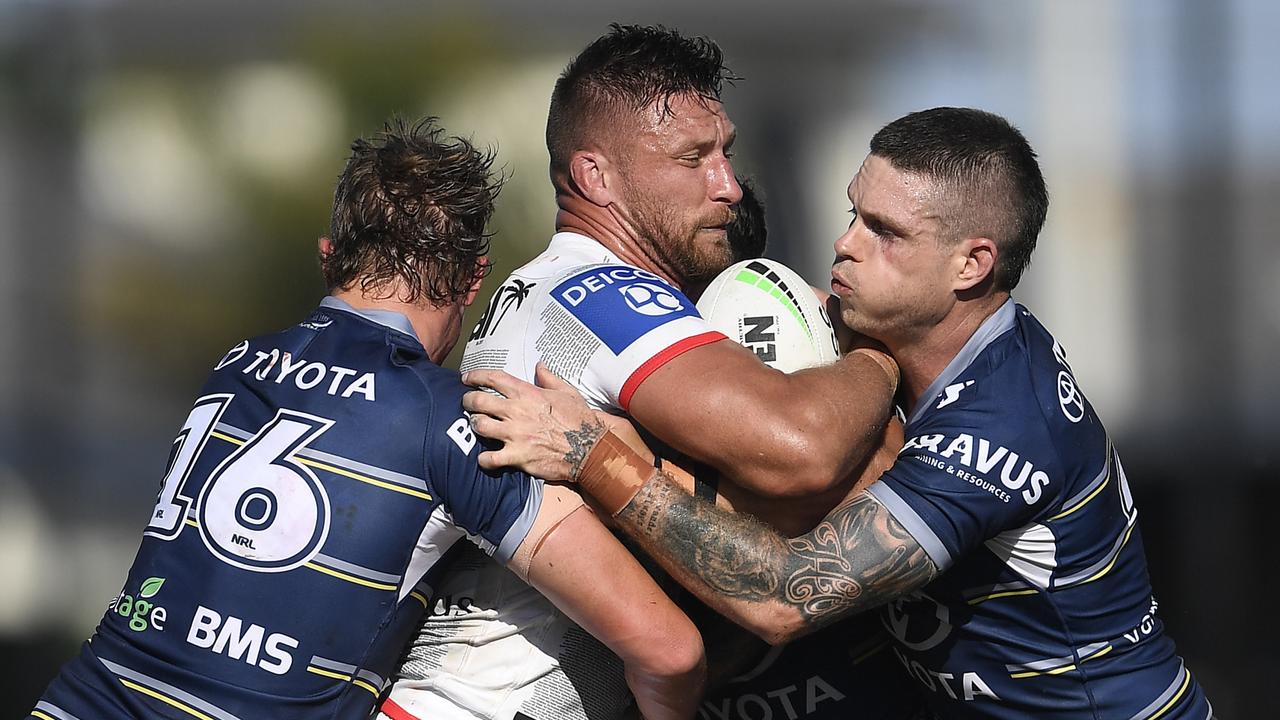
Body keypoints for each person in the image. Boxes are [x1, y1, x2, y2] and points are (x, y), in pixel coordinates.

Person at [462, 107, 1216, 719]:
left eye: (884, 233)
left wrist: (599, 455)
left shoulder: (1001, 427)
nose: (843, 245)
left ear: (972, 264)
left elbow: (784, 595)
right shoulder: (906, 340)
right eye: (854, 214)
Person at [28, 118, 703, 720]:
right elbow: (668, 650)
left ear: (328, 258)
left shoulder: (235, 366)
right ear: (473, 282)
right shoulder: (452, 420)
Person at [386, 23, 909, 720]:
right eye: (693, 158)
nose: (727, 185)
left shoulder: (546, 288)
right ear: (595, 176)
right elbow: (804, 450)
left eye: (726, 152)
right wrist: (878, 344)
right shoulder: (597, 297)